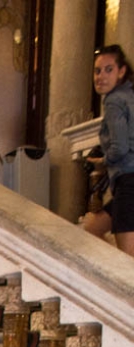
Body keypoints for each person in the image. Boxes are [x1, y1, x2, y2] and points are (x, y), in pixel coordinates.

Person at [81, 45, 134, 257]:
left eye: (108, 69)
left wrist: (104, 160)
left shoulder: (114, 101)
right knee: (93, 228)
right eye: (97, 71)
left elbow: (120, 147)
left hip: (129, 183)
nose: (101, 76)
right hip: (128, 183)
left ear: (121, 72)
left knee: (129, 263)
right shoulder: (129, 95)